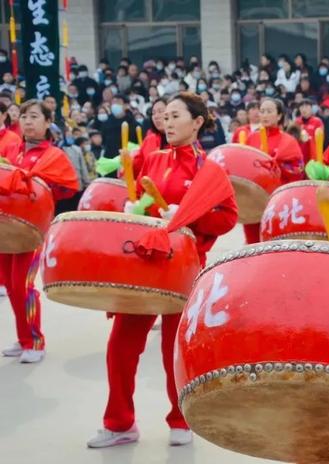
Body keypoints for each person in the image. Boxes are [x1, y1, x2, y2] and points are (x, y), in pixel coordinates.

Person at [87, 92, 238, 449]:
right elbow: (138, 200)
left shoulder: (209, 169)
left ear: (197, 122)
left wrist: (190, 216)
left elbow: (228, 217)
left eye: (175, 116)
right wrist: (131, 208)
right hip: (142, 265)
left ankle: (179, 418)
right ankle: (119, 421)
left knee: (174, 349)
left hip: (181, 266)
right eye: (164, 116)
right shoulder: (151, 160)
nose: (167, 122)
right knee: (121, 344)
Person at [0, 100, 78, 363]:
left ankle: (35, 340)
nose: (28, 121)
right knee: (11, 286)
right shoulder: (12, 150)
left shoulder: (53, 155)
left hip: (31, 230)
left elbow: (68, 186)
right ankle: (23, 338)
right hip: (6, 228)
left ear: (47, 122)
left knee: (23, 285)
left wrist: (43, 188)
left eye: (34, 116)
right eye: (23, 116)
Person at [243, 97, 304, 244]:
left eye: (269, 111)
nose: (264, 115)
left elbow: (298, 168)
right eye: (262, 111)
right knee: (252, 242)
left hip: (276, 200)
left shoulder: (288, 140)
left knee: (274, 241)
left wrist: (278, 166)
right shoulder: (252, 138)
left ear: (279, 116)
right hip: (253, 200)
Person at [133, 98, 166, 175]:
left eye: (160, 111)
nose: (156, 116)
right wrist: (128, 162)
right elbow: (138, 167)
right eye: (153, 113)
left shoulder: (182, 139)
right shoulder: (149, 140)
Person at [294, 99, 324, 163]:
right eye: (302, 107)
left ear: (311, 108)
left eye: (306, 106)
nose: (304, 109)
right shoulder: (296, 122)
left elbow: (320, 138)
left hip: (313, 156)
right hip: (300, 155)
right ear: (299, 109)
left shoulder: (317, 121)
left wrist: (309, 138)